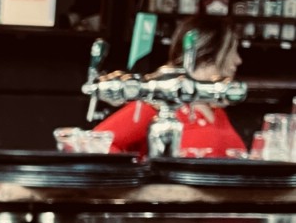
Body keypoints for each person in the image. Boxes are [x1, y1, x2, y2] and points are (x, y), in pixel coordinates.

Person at [92, 17, 245, 159]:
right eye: (233, 51)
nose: (238, 60)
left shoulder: (216, 111)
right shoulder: (160, 102)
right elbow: (96, 143)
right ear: (208, 55)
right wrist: (137, 174)